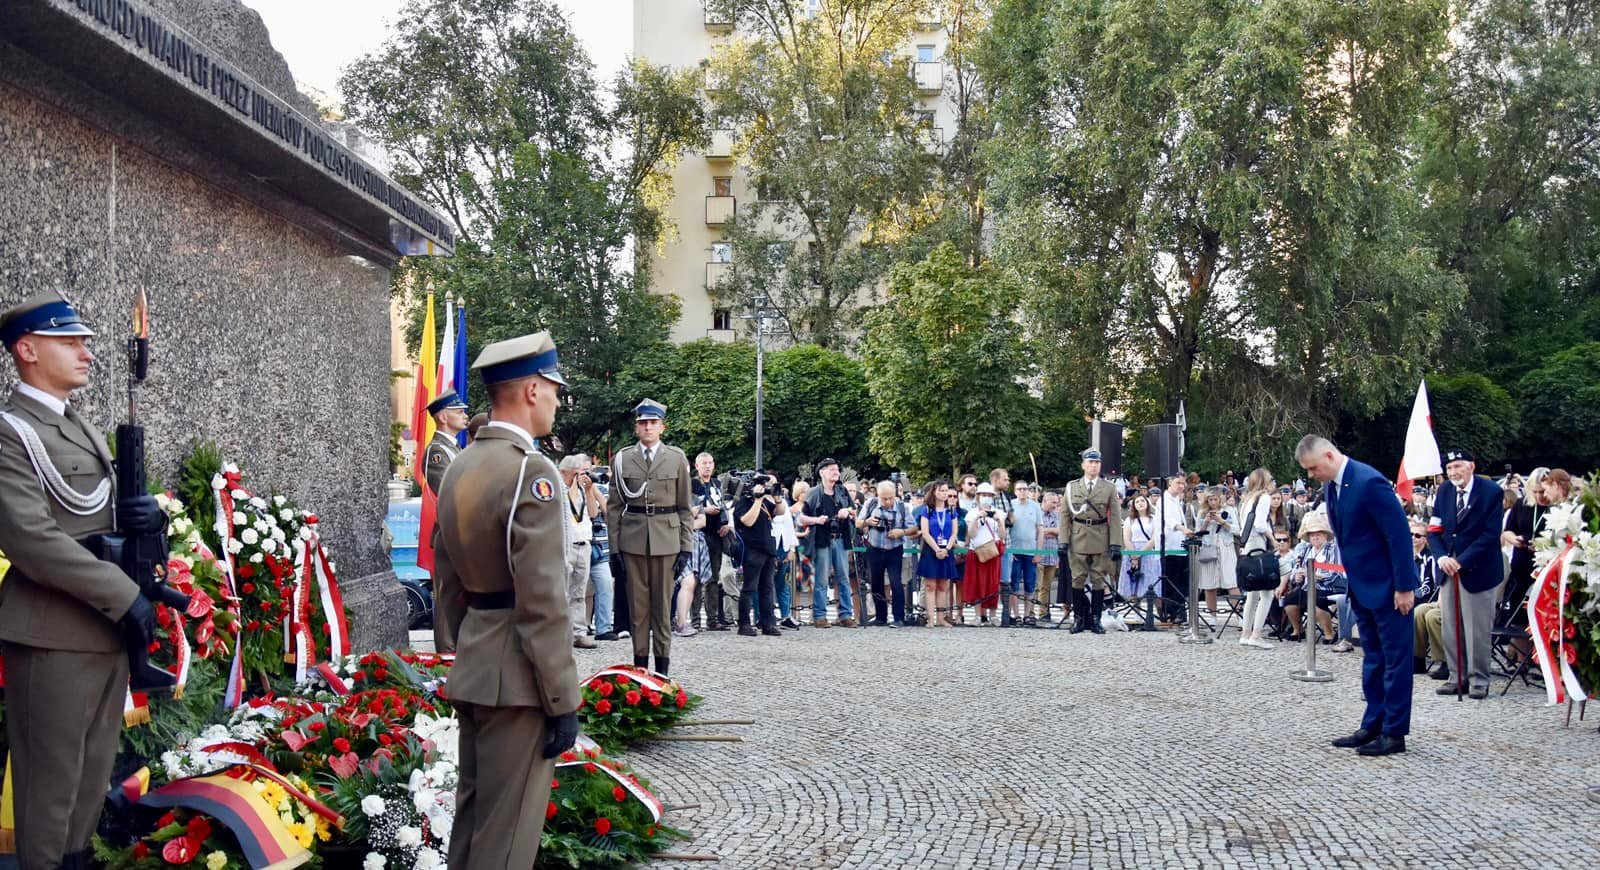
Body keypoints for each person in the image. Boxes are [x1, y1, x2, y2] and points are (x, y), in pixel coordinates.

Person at [0, 292, 170, 870]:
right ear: (27, 350)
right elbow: (31, 540)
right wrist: (125, 596)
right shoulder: (12, 432)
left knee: (89, 784)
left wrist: (151, 520)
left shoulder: (75, 426)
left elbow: (103, 516)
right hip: (52, 635)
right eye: (69, 342)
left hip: (103, 630)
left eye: (85, 342)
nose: (86, 353)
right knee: (50, 791)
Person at [430, 330, 580, 866]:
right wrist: (563, 699)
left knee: (473, 828)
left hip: (476, 662)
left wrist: (460, 643)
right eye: (554, 388)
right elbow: (543, 600)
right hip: (518, 679)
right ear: (532, 390)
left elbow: (446, 574)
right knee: (506, 843)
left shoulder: (461, 464)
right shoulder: (529, 470)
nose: (557, 400)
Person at [1297, 435, 1417, 757]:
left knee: (1395, 662)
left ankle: (1394, 732)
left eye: (1313, 468)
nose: (1311, 475)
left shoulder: (1368, 482)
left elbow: (1398, 535)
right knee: (1374, 660)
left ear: (1328, 456)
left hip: (1390, 589)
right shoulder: (1333, 486)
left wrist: (1404, 586)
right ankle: (1373, 724)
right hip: (1362, 587)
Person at [605, 399, 694, 675]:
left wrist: (686, 547)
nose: (648, 427)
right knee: (638, 610)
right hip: (632, 541)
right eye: (643, 423)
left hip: (667, 541)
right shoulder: (622, 459)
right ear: (636, 428)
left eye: (653, 423)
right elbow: (613, 508)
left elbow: (685, 507)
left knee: (662, 610)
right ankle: (641, 670)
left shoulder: (676, 458)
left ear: (662, 427)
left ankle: (662, 673)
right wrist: (613, 550)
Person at [1427, 448, 1506, 700]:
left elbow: (1490, 534)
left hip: (1478, 569)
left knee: (1476, 629)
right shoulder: (1444, 491)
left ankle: (1479, 679)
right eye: (1449, 468)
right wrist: (1441, 557)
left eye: (1458, 466)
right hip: (1448, 567)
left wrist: (1461, 561)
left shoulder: (1491, 491)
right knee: (1451, 626)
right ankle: (1456, 676)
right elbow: (1434, 529)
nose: (1453, 472)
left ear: (1471, 466)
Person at [1061, 448, 1124, 634]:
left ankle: (1096, 619)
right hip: (1078, 536)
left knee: (1098, 579)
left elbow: (1115, 517)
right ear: (1083, 465)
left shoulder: (1109, 488)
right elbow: (1065, 516)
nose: (1094, 465)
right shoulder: (1072, 487)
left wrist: (1115, 543)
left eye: (1097, 462)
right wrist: (1063, 541)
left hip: (1100, 536)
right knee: (1077, 579)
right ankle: (1079, 619)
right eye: (1090, 462)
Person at [798, 458, 857, 628]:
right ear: (822, 472)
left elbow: (854, 510)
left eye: (837, 469)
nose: (836, 472)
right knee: (822, 578)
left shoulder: (842, 491)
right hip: (822, 539)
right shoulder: (814, 493)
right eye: (831, 469)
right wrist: (817, 520)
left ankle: (846, 615)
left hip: (841, 538)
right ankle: (820, 616)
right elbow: (801, 518)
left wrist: (847, 511)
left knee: (844, 578)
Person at [557, 454, 604, 649]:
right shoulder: (558, 490)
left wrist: (589, 490)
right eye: (576, 473)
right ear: (564, 473)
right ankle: (561, 634)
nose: (580, 477)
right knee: (562, 591)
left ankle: (579, 633)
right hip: (565, 545)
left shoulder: (584, 491)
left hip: (584, 544)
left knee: (579, 593)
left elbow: (593, 513)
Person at [733, 474, 786, 636]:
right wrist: (757, 499)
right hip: (752, 550)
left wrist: (777, 498)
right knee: (749, 588)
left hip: (768, 549)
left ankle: (767, 623)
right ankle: (744, 624)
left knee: (767, 589)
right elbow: (747, 521)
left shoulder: (765, 503)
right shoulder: (743, 502)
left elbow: (780, 512)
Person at [858, 479, 917, 627]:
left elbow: (914, 528)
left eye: (890, 498)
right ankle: (881, 617)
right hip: (874, 548)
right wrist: (867, 522)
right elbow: (858, 523)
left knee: (896, 582)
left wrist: (901, 532)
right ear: (878, 495)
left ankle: (898, 617)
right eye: (884, 498)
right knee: (876, 583)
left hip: (894, 549)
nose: (888, 501)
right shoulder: (871, 504)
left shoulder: (903, 507)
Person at [691, 452, 734, 631]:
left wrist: (726, 524)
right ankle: (695, 619)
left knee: (714, 578)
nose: (708, 466)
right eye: (704, 463)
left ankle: (712, 619)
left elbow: (724, 505)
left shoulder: (717, 484)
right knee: (696, 578)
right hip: (699, 533)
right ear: (697, 466)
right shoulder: (693, 484)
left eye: (710, 463)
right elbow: (689, 507)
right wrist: (705, 510)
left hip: (717, 533)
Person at [1235, 468, 1278, 649]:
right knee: (1267, 593)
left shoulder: (1247, 499)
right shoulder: (1264, 497)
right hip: (1257, 543)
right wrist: (1273, 539)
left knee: (1252, 593)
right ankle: (1256, 634)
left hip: (1247, 544)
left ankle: (1246, 633)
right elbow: (1260, 524)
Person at [915, 480, 960, 627]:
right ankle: (930, 618)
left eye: (946, 491)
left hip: (946, 549)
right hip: (931, 549)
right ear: (934, 492)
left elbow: (954, 532)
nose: (945, 493)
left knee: (943, 585)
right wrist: (937, 549)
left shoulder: (951, 511)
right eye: (942, 490)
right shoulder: (927, 510)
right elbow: (925, 532)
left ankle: (941, 618)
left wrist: (946, 549)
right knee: (930, 585)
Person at [1192, 488, 1238, 628]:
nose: (1213, 502)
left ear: (1220, 499)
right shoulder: (1202, 512)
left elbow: (1237, 530)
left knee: (1231, 582)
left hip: (1226, 547)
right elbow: (1197, 533)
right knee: (1209, 584)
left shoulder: (1229, 510)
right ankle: (1212, 616)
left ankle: (1239, 614)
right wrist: (1206, 522)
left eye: (1215, 499)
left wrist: (1221, 521)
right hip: (1209, 548)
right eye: (1210, 500)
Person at [964, 482, 1007, 624]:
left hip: (992, 551)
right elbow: (972, 534)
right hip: (977, 551)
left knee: (993, 584)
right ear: (978, 496)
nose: (986, 498)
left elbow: (1002, 535)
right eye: (983, 495)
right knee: (976, 584)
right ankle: (977, 616)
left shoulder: (999, 513)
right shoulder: (972, 513)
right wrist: (977, 518)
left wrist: (999, 521)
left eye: (989, 495)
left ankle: (993, 615)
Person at [1408, 518, 1446, 677]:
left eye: (1417, 535)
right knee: (1418, 612)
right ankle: (1417, 659)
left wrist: (1411, 595)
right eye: (1411, 534)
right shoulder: (1407, 556)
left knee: (1428, 614)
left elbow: (1428, 586)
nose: (1413, 538)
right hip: (1413, 597)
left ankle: (1445, 662)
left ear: (1425, 539)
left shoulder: (1430, 559)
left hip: (1426, 597)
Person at [1158, 474, 1196, 623]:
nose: (1181, 486)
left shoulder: (1177, 500)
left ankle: (1179, 610)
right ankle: (1172, 612)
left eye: (1183, 483)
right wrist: (1182, 528)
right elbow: (1168, 520)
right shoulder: (1164, 500)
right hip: (1169, 547)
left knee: (1182, 581)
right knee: (1171, 581)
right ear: (1170, 483)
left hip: (1180, 546)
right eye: (1178, 483)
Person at [1006, 481, 1043, 625]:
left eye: (1025, 489)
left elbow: (1040, 530)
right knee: (1014, 584)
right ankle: (1016, 614)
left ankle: (1027, 614)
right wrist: (1009, 550)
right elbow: (1006, 529)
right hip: (1014, 550)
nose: (1022, 491)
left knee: (1030, 584)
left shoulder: (1035, 506)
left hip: (1030, 551)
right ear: (1015, 491)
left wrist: (1038, 551)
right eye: (1019, 489)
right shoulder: (1010, 506)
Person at [422, 391, 469, 494]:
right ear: (443, 418)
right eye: (460, 412)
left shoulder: (453, 446)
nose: (465, 416)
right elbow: (447, 491)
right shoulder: (436, 451)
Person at [1118, 494, 1162, 601]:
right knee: (1133, 584)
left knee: (1151, 584)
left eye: (1142, 501)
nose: (1140, 503)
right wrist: (1134, 556)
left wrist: (1139, 554)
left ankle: (1157, 610)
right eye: (1137, 502)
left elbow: (1154, 538)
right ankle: (1135, 607)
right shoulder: (1129, 520)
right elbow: (1127, 538)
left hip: (1148, 552)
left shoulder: (1154, 519)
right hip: (1132, 551)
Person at [1036, 491, 1062, 622]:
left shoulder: (1057, 516)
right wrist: (1051, 531)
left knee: (1046, 587)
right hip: (1038, 554)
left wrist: (1045, 531)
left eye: (1056, 503)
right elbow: (1035, 531)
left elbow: (1060, 531)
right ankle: (1030, 613)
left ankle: (1043, 613)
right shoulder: (1037, 514)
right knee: (1037, 586)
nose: (1055, 505)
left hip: (1052, 555)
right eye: (1053, 502)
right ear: (1045, 501)